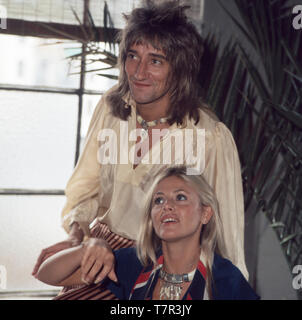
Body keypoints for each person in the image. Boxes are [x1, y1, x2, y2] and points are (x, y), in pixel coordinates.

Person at [32, 0, 248, 299]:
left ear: (181, 69)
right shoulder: (111, 109)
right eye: (133, 56)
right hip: (98, 253)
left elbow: (226, 237)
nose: (139, 71)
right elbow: (86, 190)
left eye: (156, 61)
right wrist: (78, 237)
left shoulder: (209, 137)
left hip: (157, 270)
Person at [36, 166, 258, 300]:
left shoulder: (226, 280)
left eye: (180, 197)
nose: (166, 206)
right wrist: (88, 247)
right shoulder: (136, 262)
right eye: (158, 200)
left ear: (205, 214)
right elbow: (48, 274)